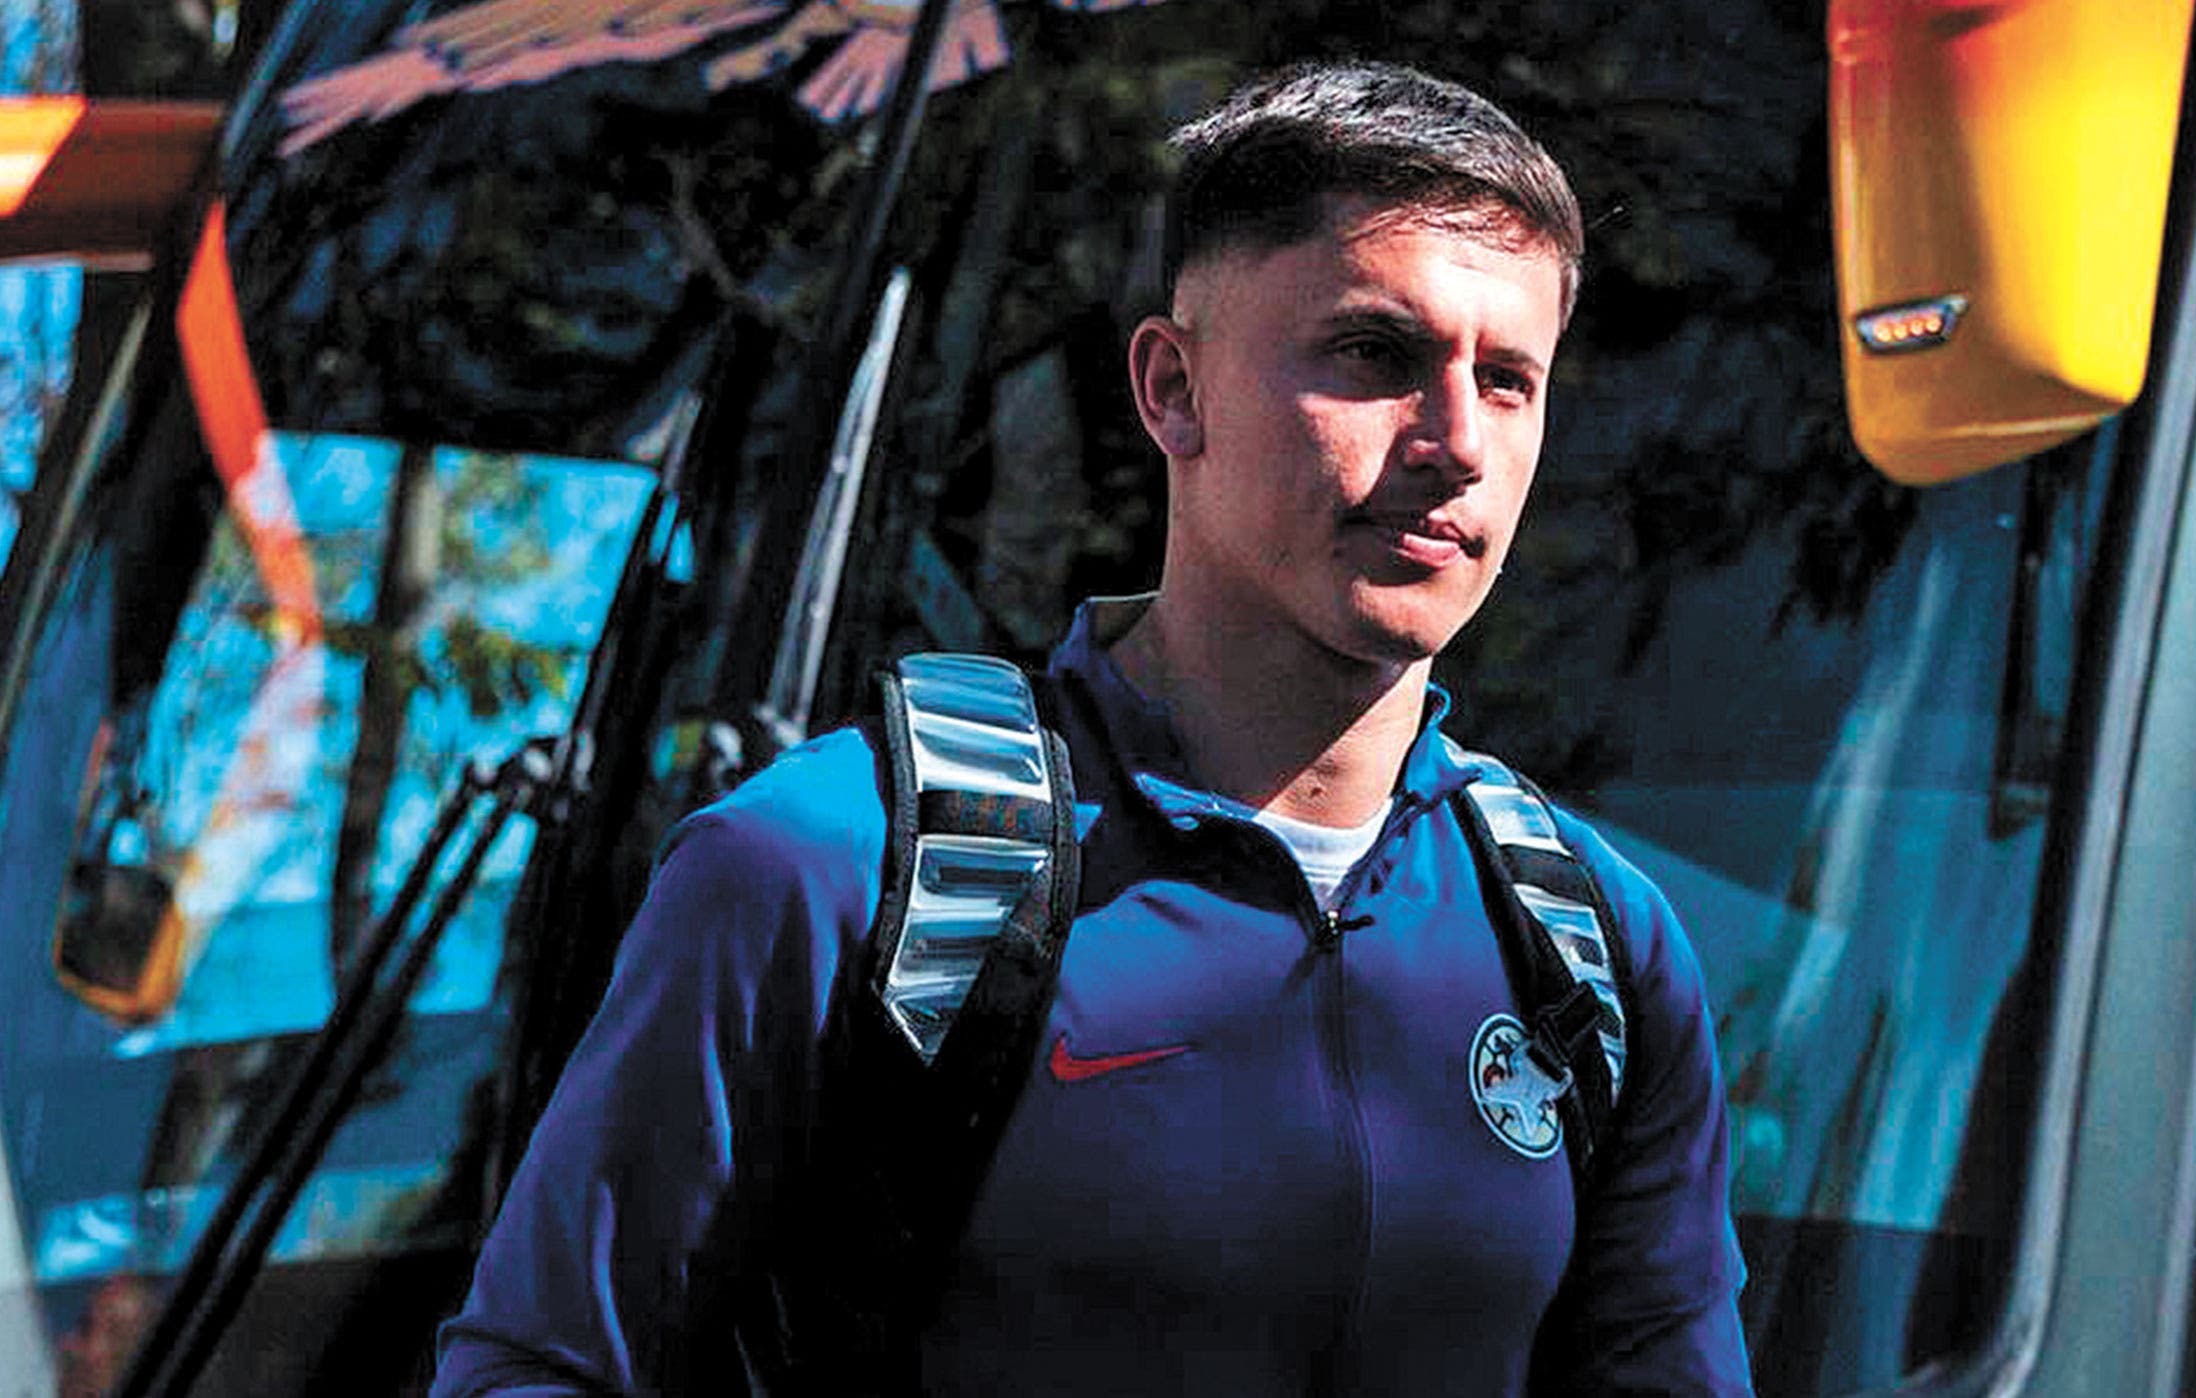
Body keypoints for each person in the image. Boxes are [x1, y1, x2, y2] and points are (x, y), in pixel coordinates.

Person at [431, 59, 1751, 1397]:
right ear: (1172, 387)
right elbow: (535, 1370)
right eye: (1376, 355)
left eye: (1510, 379)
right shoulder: (829, 868)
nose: (1458, 441)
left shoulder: (1599, 951)